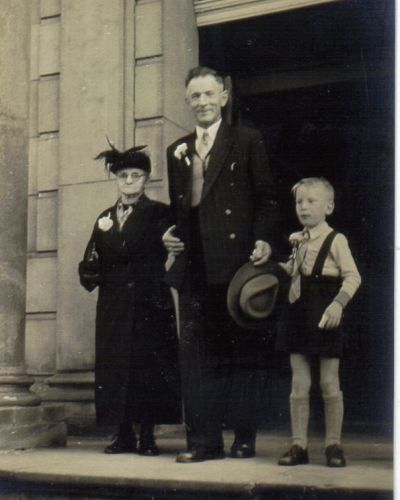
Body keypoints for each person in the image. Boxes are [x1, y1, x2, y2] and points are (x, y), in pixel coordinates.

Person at [163, 66, 278, 463]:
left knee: (242, 353)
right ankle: (204, 442)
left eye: (209, 94)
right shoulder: (176, 151)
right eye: (195, 96)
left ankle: (244, 438)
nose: (203, 103)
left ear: (224, 97)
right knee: (196, 359)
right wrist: (168, 234)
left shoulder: (246, 140)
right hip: (194, 267)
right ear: (187, 101)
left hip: (236, 266)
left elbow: (267, 199)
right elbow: (179, 210)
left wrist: (263, 238)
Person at [79, 142, 181, 456]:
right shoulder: (105, 217)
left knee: (148, 365)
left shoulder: (160, 213)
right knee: (116, 365)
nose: (129, 181)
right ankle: (122, 434)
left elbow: (176, 247)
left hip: (149, 299)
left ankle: (147, 435)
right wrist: (91, 271)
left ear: (146, 179)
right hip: (114, 303)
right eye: (123, 175)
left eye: (136, 175)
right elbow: (92, 254)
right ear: (116, 179)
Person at [276, 177, 361, 467]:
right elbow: (294, 272)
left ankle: (333, 445)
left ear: (329, 207)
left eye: (311, 201)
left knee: (328, 381)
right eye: (299, 201)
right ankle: (298, 445)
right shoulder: (298, 240)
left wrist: (338, 304)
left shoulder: (336, 240)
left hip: (325, 311)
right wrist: (274, 265)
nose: (303, 207)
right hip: (298, 311)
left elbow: (353, 276)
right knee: (299, 382)